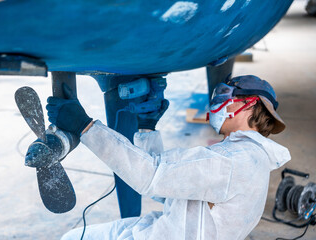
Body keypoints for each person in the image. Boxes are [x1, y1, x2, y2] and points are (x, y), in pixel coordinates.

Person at [46, 75, 291, 240]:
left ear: (248, 104)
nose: (216, 103)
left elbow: (150, 175)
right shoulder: (249, 157)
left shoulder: (232, 161)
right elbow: (168, 187)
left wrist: (85, 127)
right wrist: (146, 128)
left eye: (224, 95)